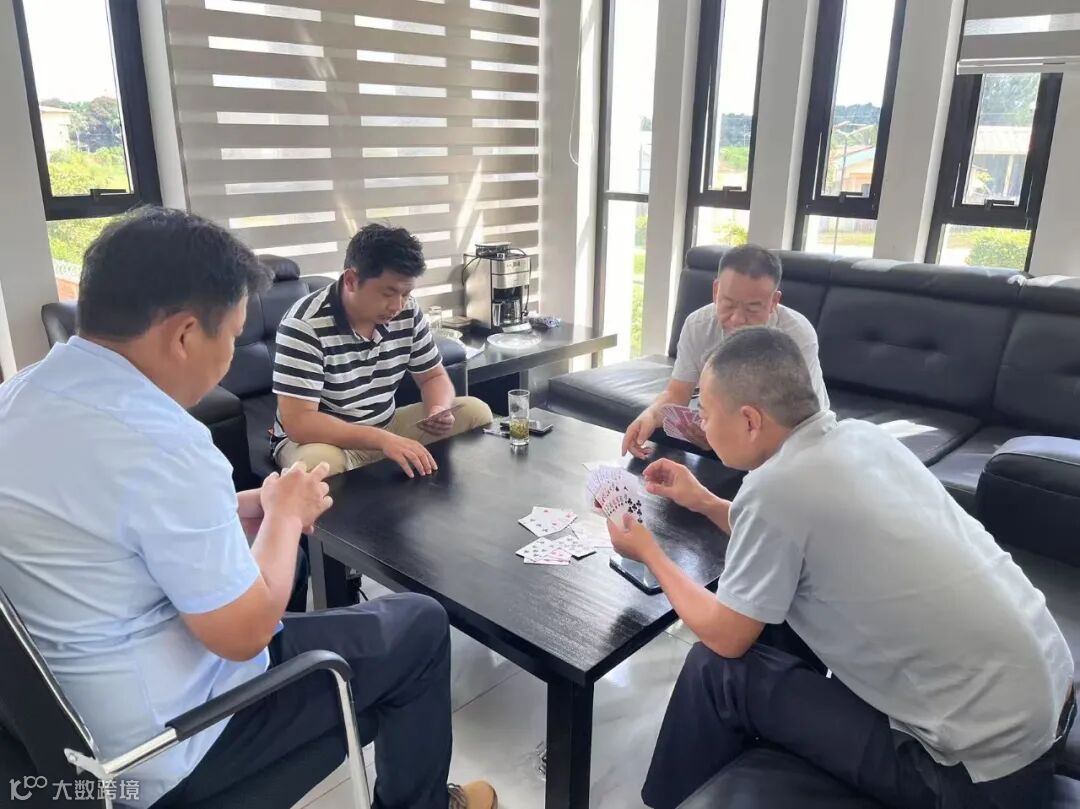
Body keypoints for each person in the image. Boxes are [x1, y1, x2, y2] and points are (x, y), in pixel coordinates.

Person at [0, 207, 495, 809]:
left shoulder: (17, 399)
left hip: (66, 725)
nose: (231, 358)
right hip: (175, 744)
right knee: (418, 625)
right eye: (232, 338)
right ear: (185, 335)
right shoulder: (163, 443)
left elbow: (112, 530)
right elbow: (246, 633)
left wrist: (242, 506)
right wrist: (285, 518)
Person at [608, 327, 1074, 809]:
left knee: (717, 670)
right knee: (776, 608)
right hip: (1049, 704)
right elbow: (787, 537)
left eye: (706, 412)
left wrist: (651, 553)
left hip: (979, 776)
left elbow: (726, 637)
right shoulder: (861, 438)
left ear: (749, 420)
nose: (701, 424)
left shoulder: (776, 489)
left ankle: (666, 801)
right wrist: (705, 502)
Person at [273, 223, 493, 478]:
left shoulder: (407, 310)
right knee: (318, 465)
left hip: (386, 427)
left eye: (406, 293)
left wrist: (438, 409)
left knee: (475, 413)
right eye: (388, 293)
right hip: (324, 441)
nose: (397, 305)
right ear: (351, 280)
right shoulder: (304, 325)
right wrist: (381, 440)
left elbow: (432, 376)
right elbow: (300, 423)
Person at [621, 244, 828, 459]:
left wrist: (724, 436)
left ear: (774, 302)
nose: (737, 319)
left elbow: (801, 423)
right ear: (716, 291)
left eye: (752, 308)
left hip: (798, 439)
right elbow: (677, 394)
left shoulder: (797, 335)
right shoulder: (698, 325)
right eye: (728, 304)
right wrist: (649, 416)